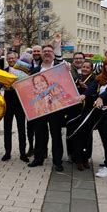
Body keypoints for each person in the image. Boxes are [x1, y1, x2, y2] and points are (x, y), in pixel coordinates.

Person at [77, 56, 107, 178]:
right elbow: (92, 88)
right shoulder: (101, 78)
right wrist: (84, 96)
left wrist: (101, 97)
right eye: (106, 64)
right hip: (100, 114)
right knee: (103, 139)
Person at [28, 35, 65, 172]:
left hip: (56, 108)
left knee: (56, 135)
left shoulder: (60, 67)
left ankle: (57, 161)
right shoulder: (36, 70)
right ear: (41, 55)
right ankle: (39, 159)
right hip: (40, 108)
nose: (47, 53)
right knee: (39, 134)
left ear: (53, 55)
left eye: (50, 51)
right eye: (45, 52)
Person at [68, 59, 95, 170]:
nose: (85, 69)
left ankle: (86, 158)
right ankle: (78, 159)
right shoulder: (77, 79)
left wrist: (86, 88)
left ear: (91, 69)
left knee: (87, 136)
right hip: (76, 111)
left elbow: (95, 92)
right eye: (83, 67)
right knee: (77, 135)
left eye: (87, 67)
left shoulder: (94, 79)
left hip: (88, 111)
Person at [2, 51, 28, 162]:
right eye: (9, 58)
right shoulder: (4, 71)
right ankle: (7, 153)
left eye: (13, 58)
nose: (11, 60)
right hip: (7, 102)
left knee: (22, 129)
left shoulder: (23, 71)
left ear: (17, 59)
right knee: (7, 129)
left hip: (20, 102)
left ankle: (23, 153)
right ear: (7, 60)